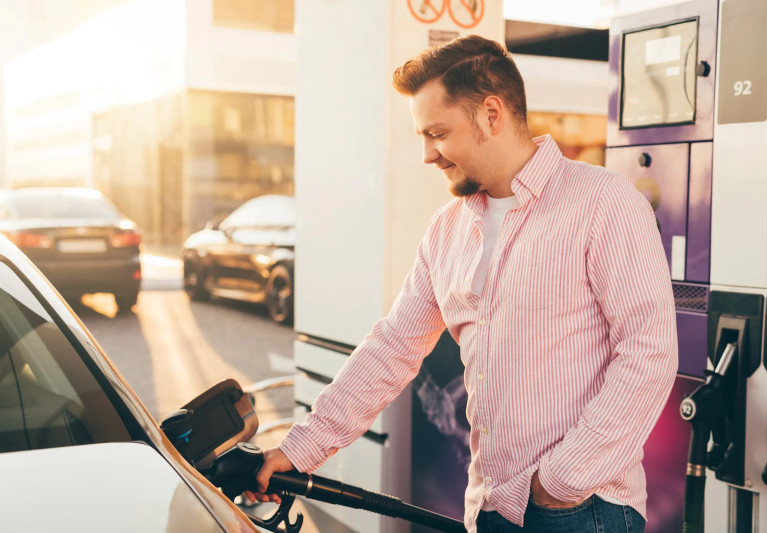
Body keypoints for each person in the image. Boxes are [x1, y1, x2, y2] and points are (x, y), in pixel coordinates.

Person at [245, 35, 678, 533]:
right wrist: (302, 448)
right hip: (488, 506)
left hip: (583, 510)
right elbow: (393, 348)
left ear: (491, 114)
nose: (428, 154)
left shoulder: (604, 202)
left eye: (438, 133)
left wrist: (561, 480)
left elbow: (649, 351)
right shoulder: (446, 229)